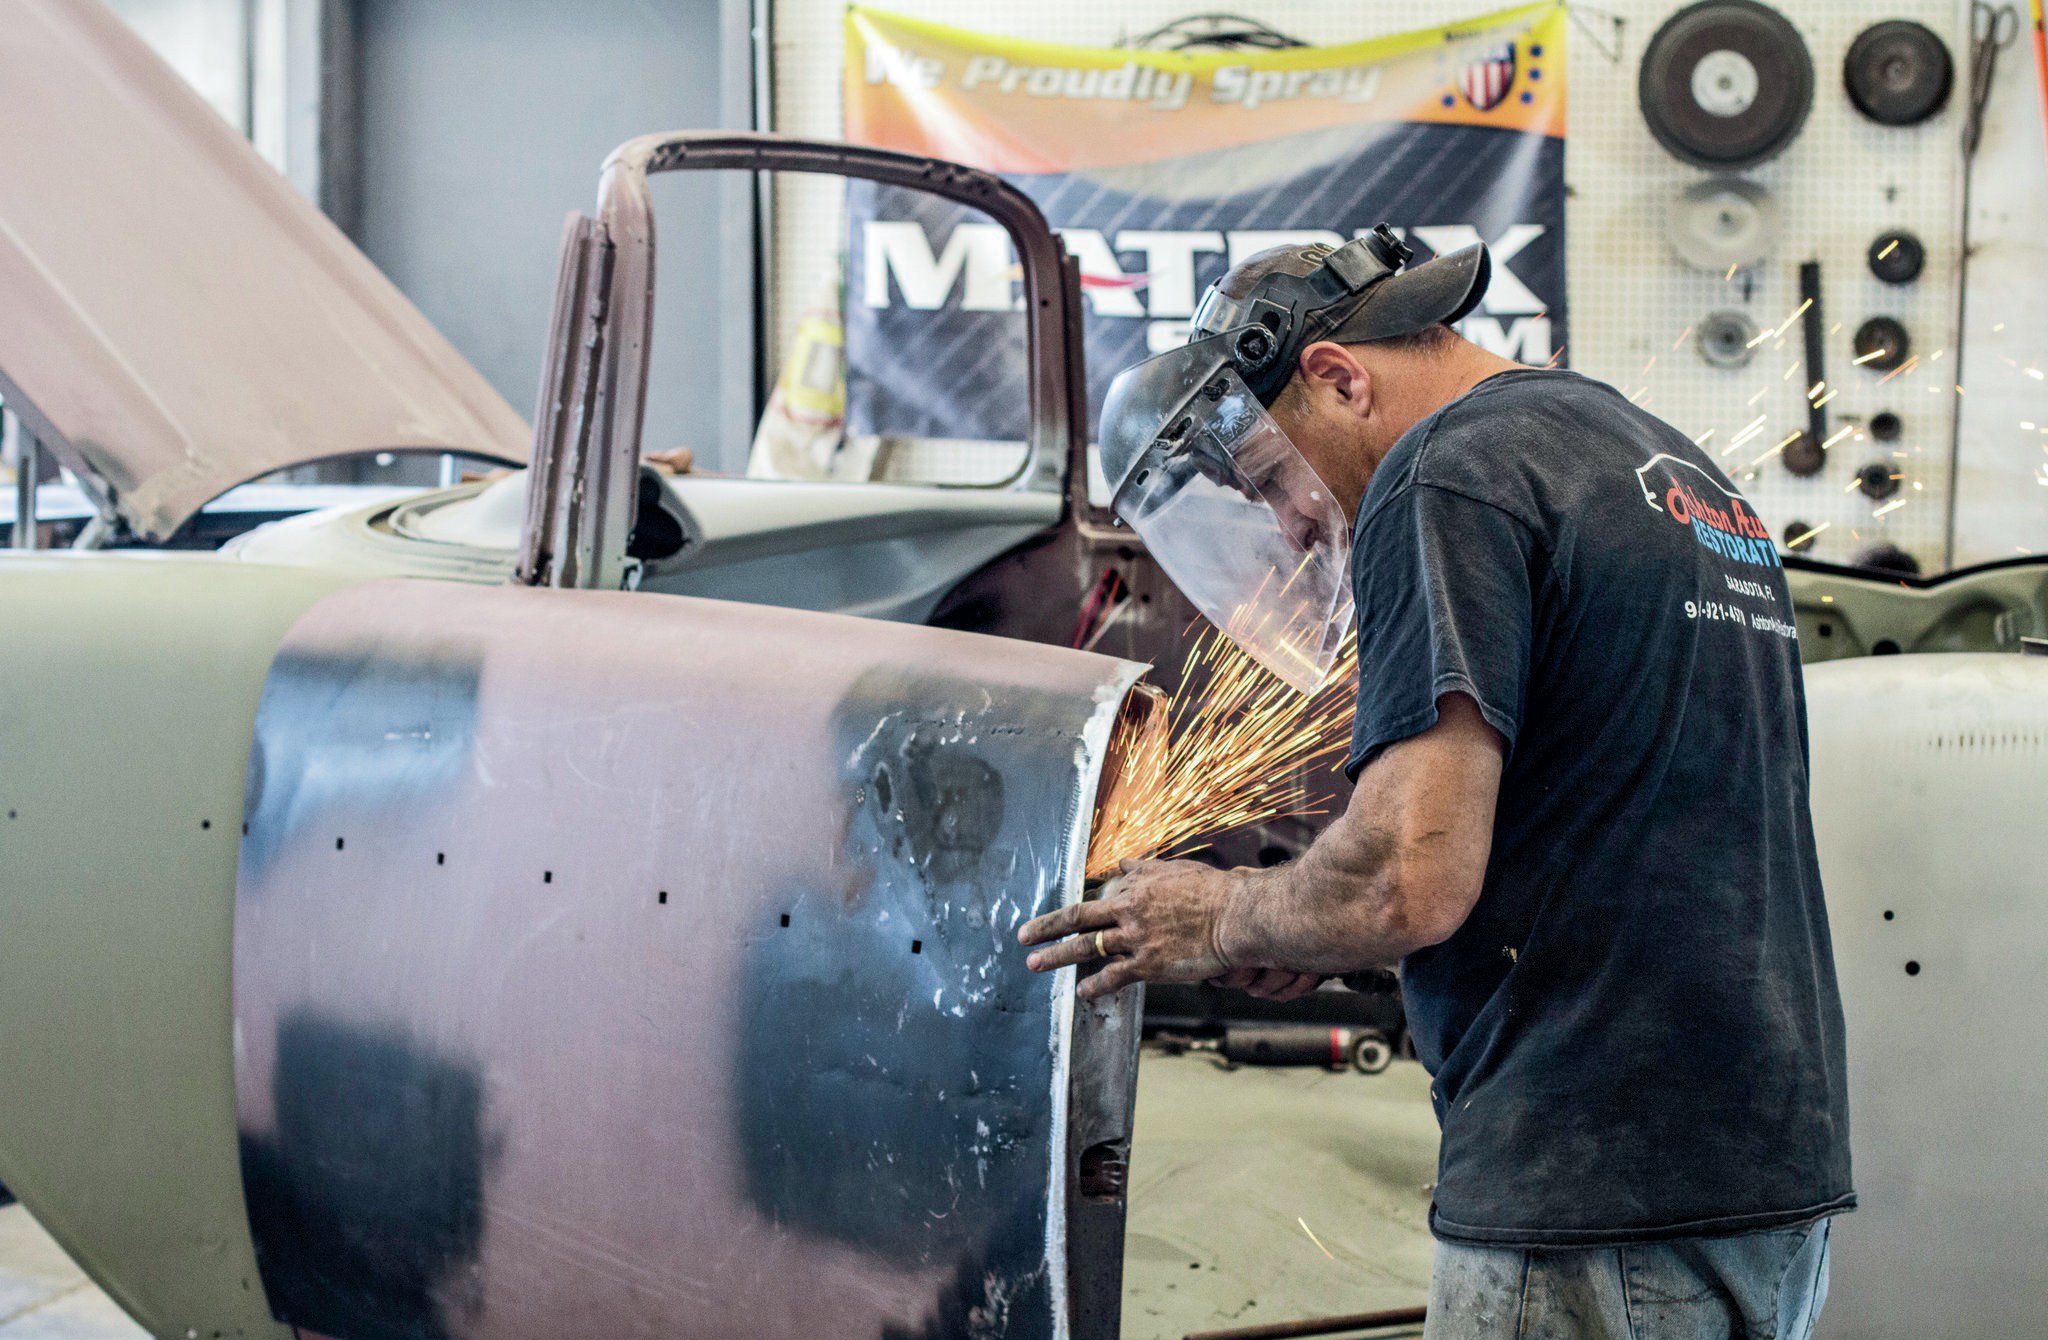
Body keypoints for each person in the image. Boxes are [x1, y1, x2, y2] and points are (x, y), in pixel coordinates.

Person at [1019, 228, 1853, 1338]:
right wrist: (1304, 928)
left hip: (1586, 1178)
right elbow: (1607, 821)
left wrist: (1215, 911)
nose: (1292, 523)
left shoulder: (1442, 470)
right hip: (1761, 1169)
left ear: (1335, 376)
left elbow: (1407, 878)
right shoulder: (1654, 461)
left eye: (1270, 478)